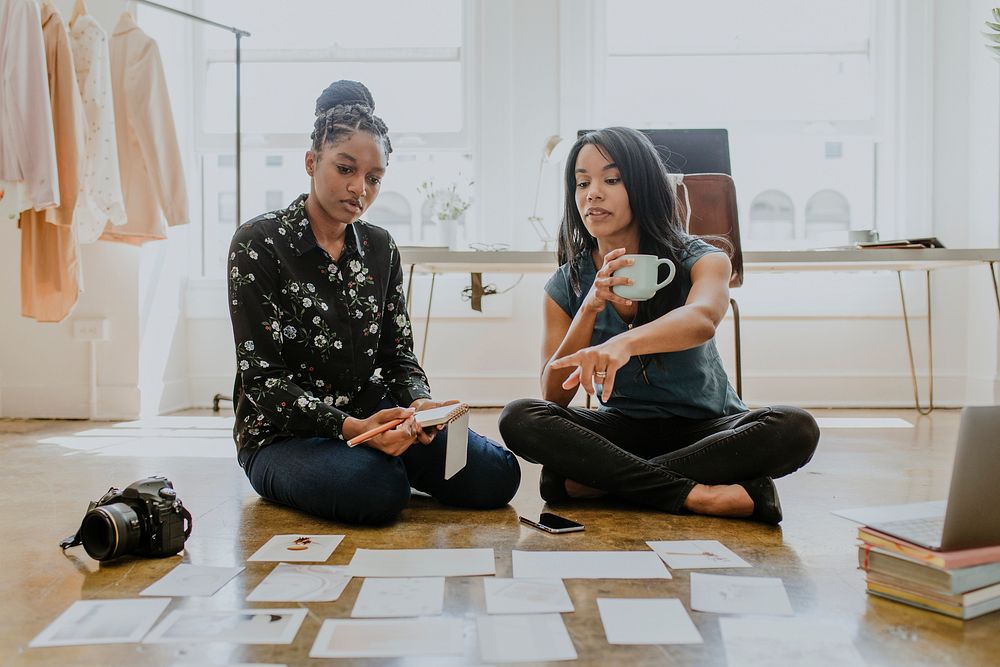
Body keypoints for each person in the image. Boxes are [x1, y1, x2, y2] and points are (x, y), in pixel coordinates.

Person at [227, 80, 520, 525]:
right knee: (379, 491)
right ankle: (374, 468)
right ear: (311, 162)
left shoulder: (381, 247)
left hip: (376, 416)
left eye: (374, 178)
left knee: (498, 477)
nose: (359, 188)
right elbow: (263, 380)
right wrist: (350, 429)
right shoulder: (258, 243)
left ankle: (383, 462)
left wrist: (420, 404)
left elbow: (398, 355)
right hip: (281, 436)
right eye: (345, 169)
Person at [499, 127, 818, 524]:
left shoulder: (702, 258)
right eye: (582, 182)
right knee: (519, 417)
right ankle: (700, 496)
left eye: (611, 180)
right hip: (622, 427)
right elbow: (552, 396)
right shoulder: (566, 283)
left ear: (644, 186)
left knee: (795, 428)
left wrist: (625, 343)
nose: (592, 193)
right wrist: (590, 308)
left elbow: (702, 319)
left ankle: (603, 481)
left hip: (708, 428)